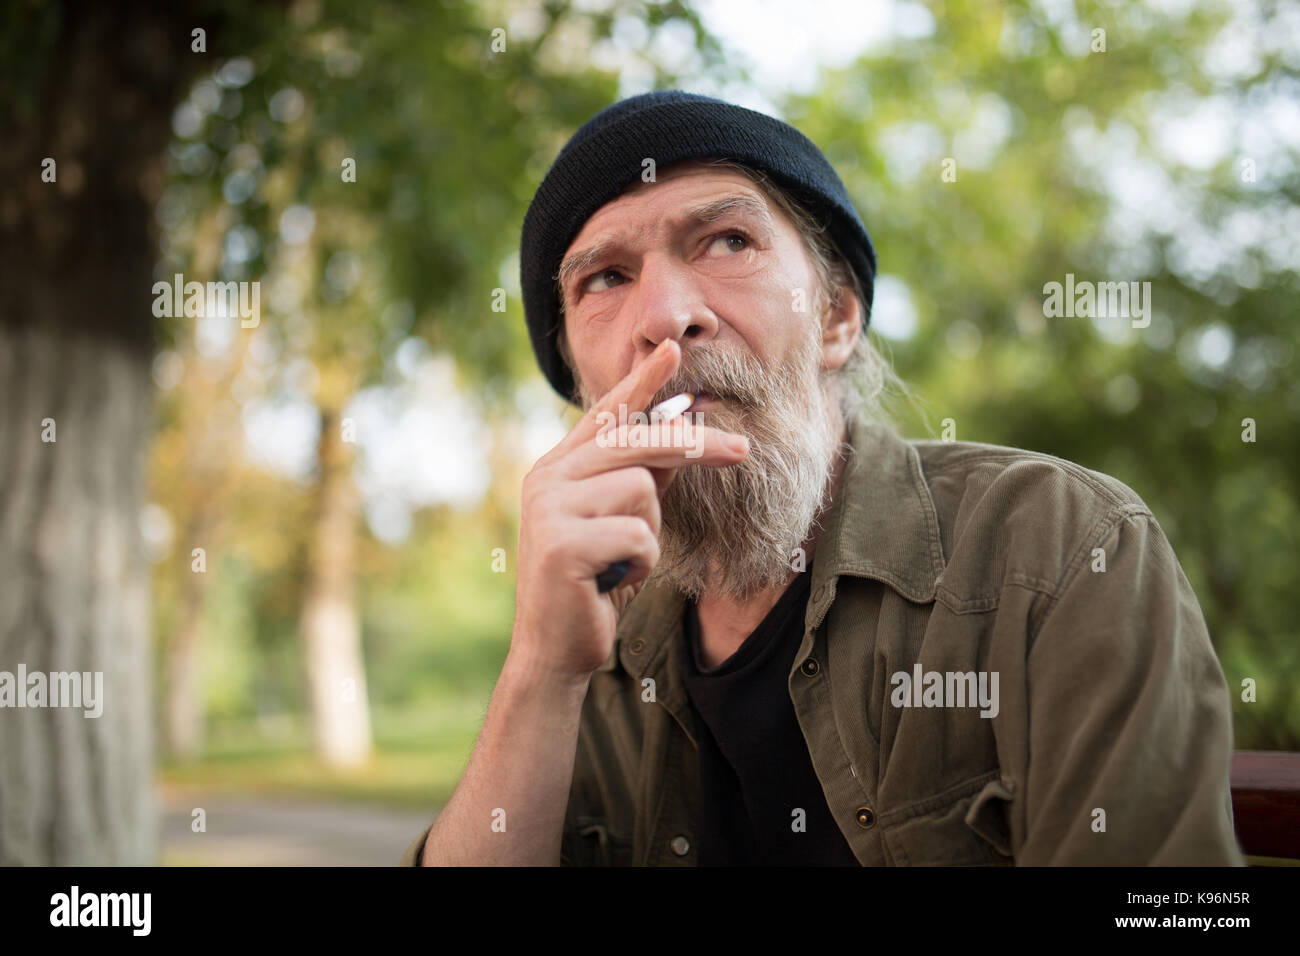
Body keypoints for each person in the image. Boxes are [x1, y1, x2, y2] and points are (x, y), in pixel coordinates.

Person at [399, 90, 1244, 866]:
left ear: (836, 319)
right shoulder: (590, 642)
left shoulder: (1063, 551)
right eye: (606, 278)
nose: (664, 316)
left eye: (728, 241)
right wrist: (541, 670)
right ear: (582, 382)